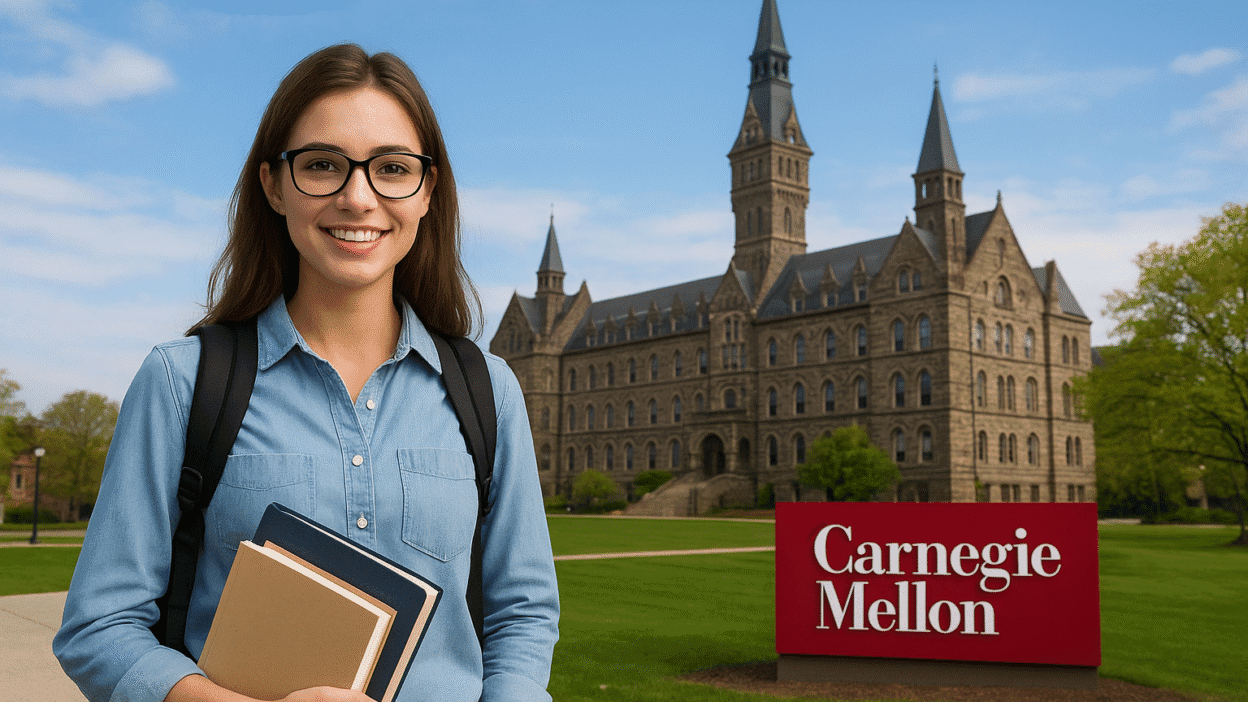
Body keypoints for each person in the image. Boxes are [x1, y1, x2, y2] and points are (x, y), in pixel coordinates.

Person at [53, 44, 559, 702]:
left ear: (427, 191)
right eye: (322, 165)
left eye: (392, 168)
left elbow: (522, 614)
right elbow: (100, 626)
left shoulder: (489, 392)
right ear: (273, 184)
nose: (358, 197)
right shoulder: (181, 383)